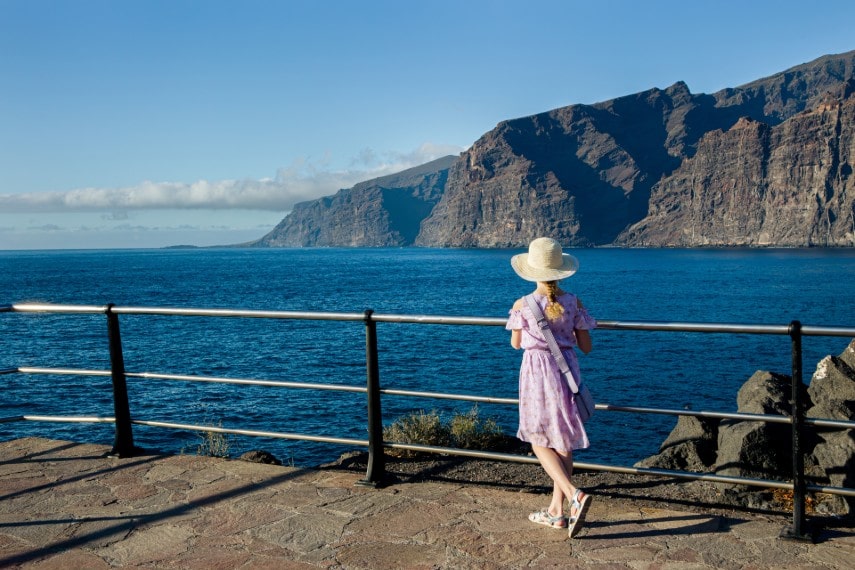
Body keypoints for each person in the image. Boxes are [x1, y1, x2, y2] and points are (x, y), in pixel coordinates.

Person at [505, 237, 597, 538]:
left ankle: (573, 494)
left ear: (531, 271)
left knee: (536, 436)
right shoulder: (574, 302)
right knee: (562, 440)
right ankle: (557, 513)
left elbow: (516, 344)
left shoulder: (523, 304)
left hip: (536, 371)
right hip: (566, 369)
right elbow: (586, 347)